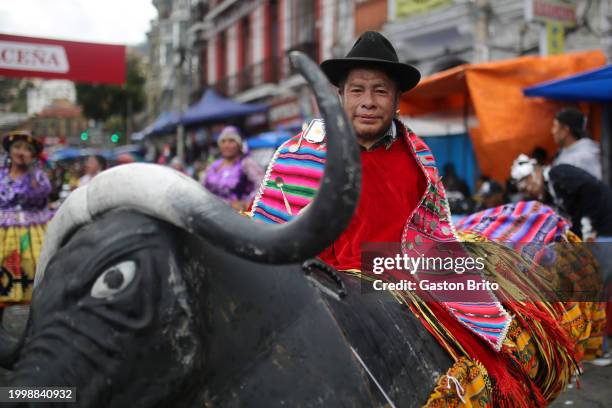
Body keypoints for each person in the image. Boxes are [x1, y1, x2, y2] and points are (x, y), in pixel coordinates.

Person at [249, 31, 579, 406]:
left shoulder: (417, 155)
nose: (368, 103)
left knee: (481, 377)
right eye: (357, 91)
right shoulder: (299, 156)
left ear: (396, 101)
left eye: (380, 91)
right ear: (339, 96)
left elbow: (434, 231)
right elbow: (269, 234)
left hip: (405, 297)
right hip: (321, 300)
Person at [0, 130, 53, 312]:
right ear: (10, 151)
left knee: (32, 265)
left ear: (33, 155)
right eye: (17, 147)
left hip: (32, 233)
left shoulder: (37, 177)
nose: (21, 152)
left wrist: (31, 171)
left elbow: (40, 193)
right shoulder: (1, 174)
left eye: (27, 149)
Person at [203, 126, 264, 211]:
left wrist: (247, 202)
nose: (226, 145)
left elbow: (263, 185)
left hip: (238, 215)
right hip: (213, 213)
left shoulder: (247, 163)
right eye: (223, 141)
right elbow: (202, 189)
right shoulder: (213, 166)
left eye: (231, 141)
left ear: (239, 145)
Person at [551, 107, 602, 179]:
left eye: (555, 126)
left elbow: (594, 187)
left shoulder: (586, 156)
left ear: (565, 130)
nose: (553, 131)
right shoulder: (565, 150)